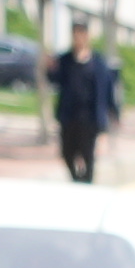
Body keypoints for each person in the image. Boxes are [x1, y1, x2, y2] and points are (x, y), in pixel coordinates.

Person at [47, 16, 118, 185]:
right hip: (69, 116)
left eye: (81, 33)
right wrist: (49, 69)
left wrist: (114, 111)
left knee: (87, 155)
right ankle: (77, 180)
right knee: (67, 153)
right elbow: (55, 80)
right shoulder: (65, 60)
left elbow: (107, 89)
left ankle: (87, 184)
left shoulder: (98, 63)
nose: (78, 37)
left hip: (89, 118)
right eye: (75, 33)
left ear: (87, 35)